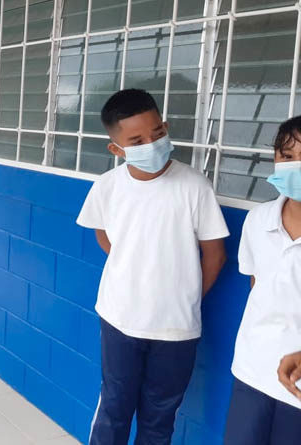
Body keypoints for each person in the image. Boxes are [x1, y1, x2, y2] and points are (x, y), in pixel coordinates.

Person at [76, 89, 229, 444]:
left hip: (175, 328)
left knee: (159, 417)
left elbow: (215, 254)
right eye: (137, 140)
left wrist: (185, 293)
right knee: (114, 406)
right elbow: (104, 234)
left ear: (166, 127)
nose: (152, 143)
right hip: (119, 318)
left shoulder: (194, 186)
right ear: (117, 149)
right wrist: (134, 268)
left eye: (157, 132)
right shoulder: (107, 187)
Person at [224, 116, 301, 444]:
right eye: (287, 156)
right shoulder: (259, 220)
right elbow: (258, 284)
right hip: (253, 370)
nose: (296, 166)